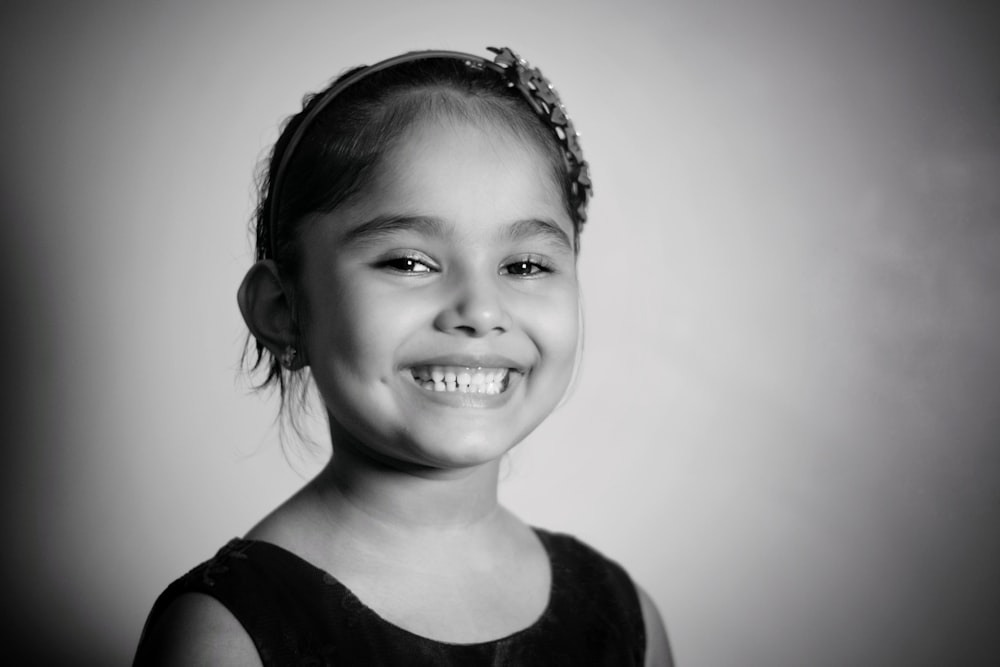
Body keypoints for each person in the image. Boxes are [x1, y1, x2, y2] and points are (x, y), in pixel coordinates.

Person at [133, 46, 673, 666]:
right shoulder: (224, 638)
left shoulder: (624, 617)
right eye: (409, 262)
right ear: (284, 310)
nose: (480, 309)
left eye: (524, 265)